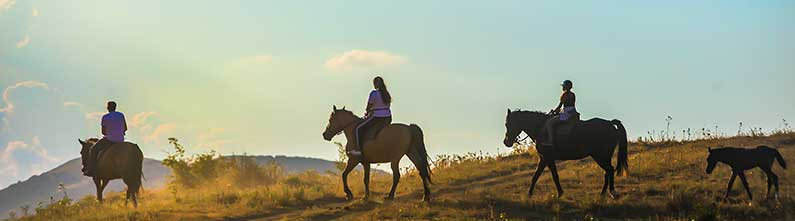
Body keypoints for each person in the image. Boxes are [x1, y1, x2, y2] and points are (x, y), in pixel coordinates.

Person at [349, 76, 393, 156]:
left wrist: (367, 112)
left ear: (375, 84)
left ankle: (358, 149)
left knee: (358, 129)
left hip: (377, 117)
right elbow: (387, 106)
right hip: (388, 117)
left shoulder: (374, 93)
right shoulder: (386, 94)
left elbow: (369, 106)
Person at [85, 101, 128, 176]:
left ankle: (92, 170)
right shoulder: (121, 115)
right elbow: (125, 128)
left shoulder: (105, 117)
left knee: (93, 149)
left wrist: (110, 133)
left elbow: (103, 132)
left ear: (108, 108)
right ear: (115, 107)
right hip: (121, 140)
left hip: (110, 140)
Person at [541, 80, 578, 147]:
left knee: (549, 123)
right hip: (573, 113)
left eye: (563, 86)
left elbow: (559, 107)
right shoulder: (572, 94)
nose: (562, 87)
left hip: (567, 114)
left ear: (565, 86)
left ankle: (550, 141)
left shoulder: (565, 95)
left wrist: (553, 111)